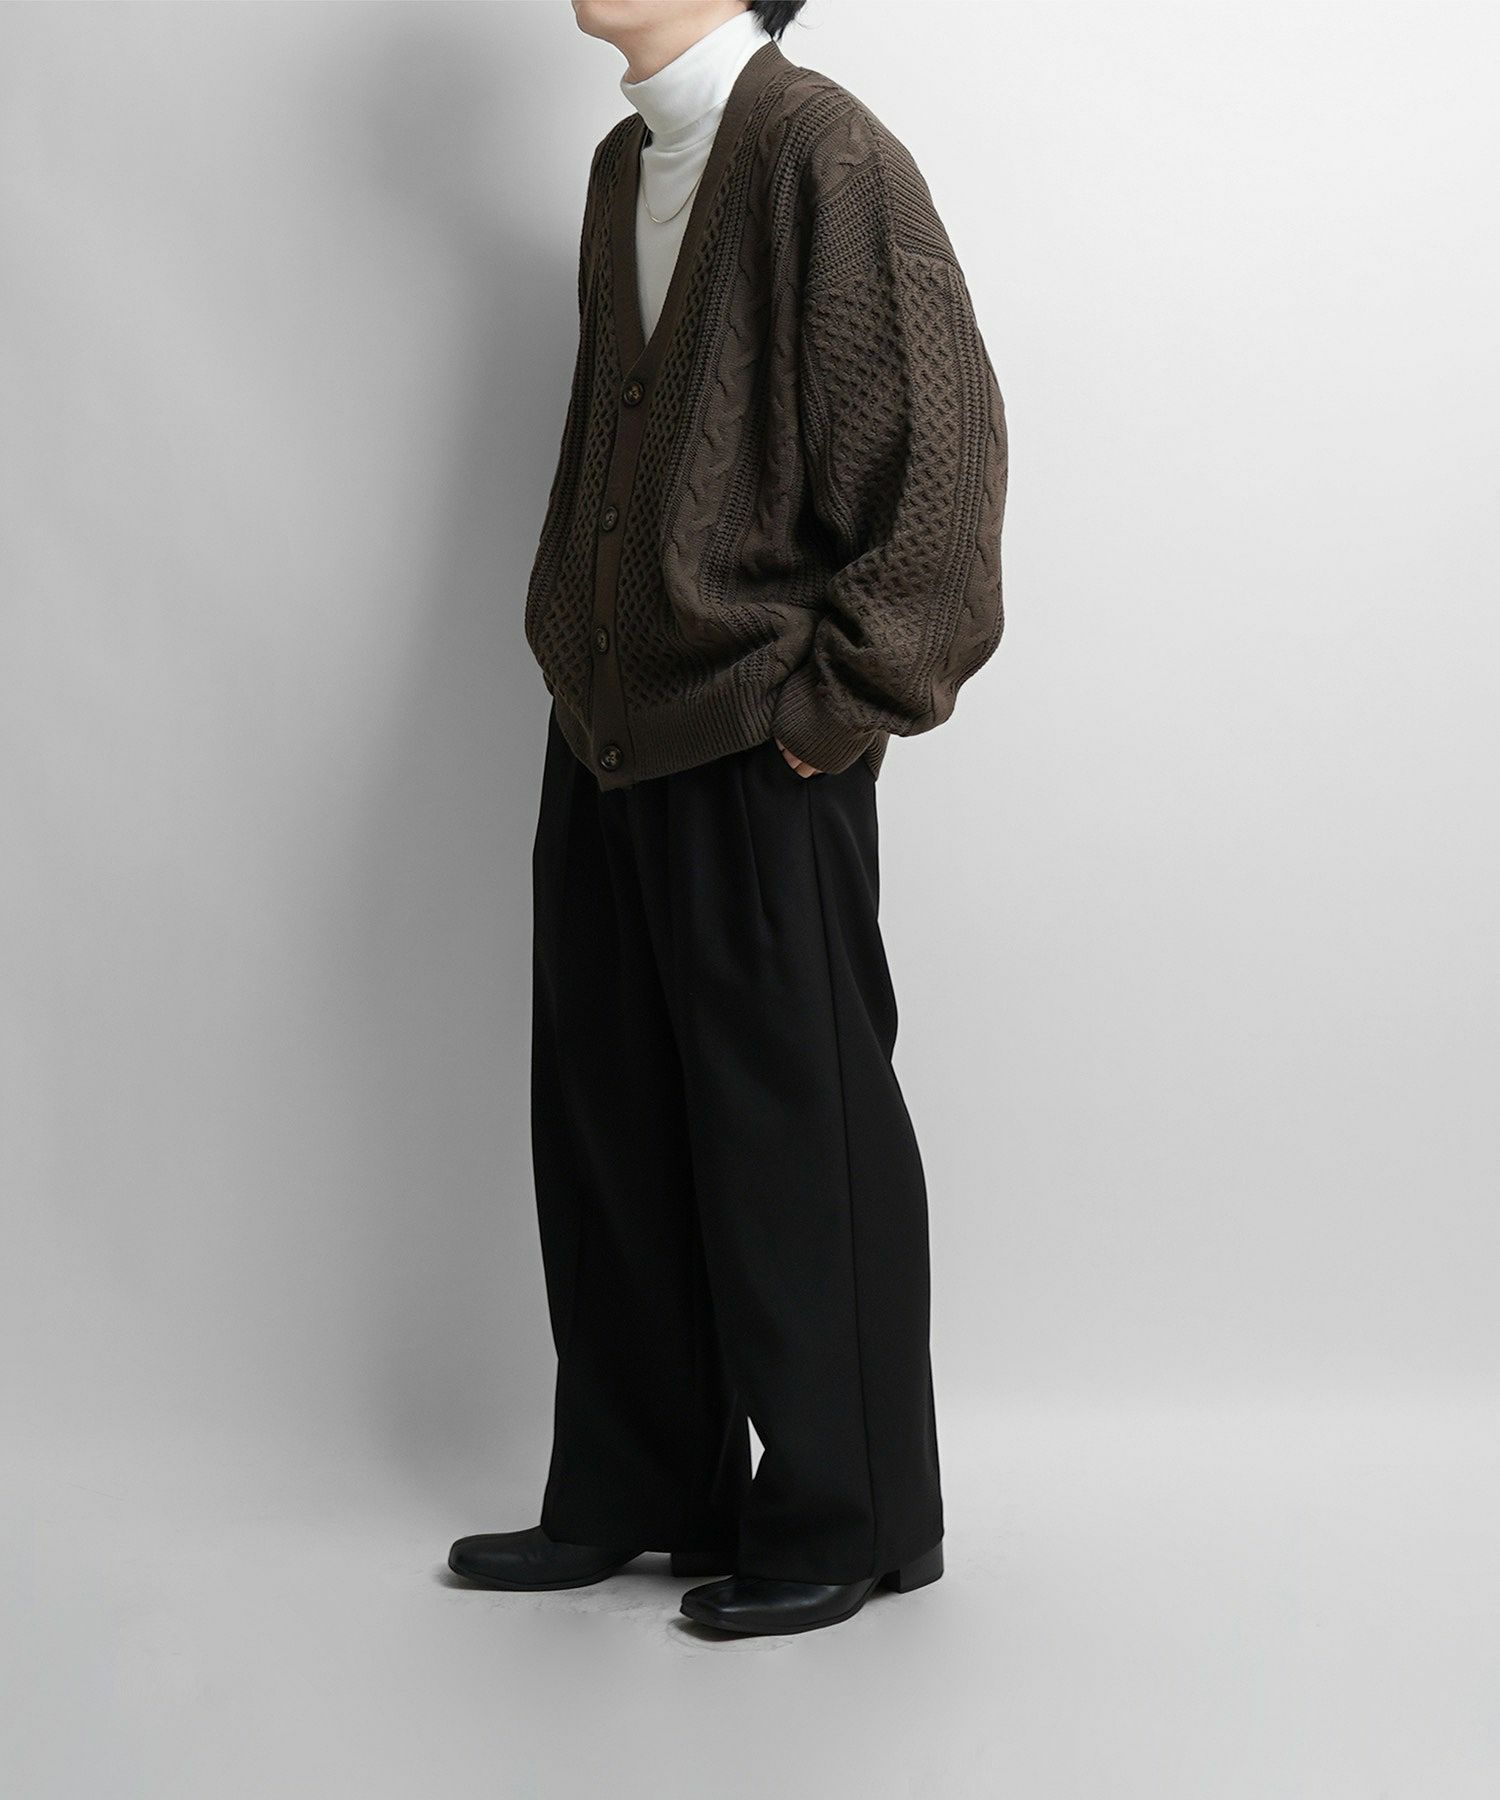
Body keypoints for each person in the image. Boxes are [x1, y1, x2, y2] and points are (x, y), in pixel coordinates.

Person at [448, 0, 1007, 1637]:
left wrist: (837, 709)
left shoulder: (824, 154)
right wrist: (575, 649)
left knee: (793, 1127)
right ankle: (639, 1487)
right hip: (610, 726)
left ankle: (852, 1513)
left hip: (762, 732)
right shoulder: (625, 168)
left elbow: (944, 468)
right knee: (610, 1122)